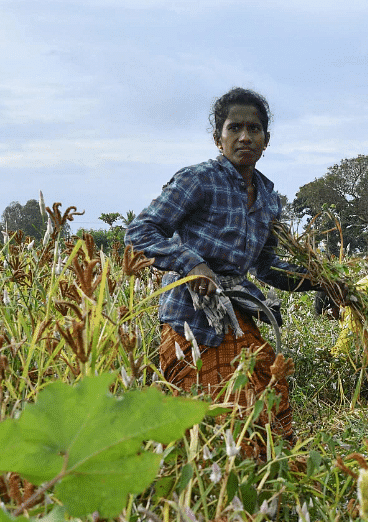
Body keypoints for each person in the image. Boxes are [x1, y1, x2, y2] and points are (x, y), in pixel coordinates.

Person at [126, 88, 316, 443]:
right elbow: (140, 232)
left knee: (263, 402)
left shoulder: (269, 198)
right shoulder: (198, 180)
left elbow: (267, 267)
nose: (245, 137)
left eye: (254, 129)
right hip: (191, 318)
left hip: (237, 313)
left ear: (266, 139)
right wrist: (191, 264)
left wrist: (319, 281)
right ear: (219, 139)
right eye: (234, 128)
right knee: (207, 419)